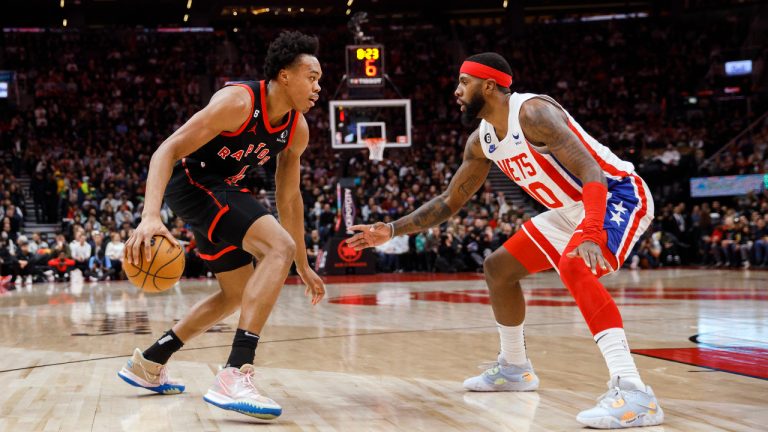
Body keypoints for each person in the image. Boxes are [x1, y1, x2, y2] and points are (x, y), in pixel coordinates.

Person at [347, 52, 662, 429]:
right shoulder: (480, 141)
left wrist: (593, 229)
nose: (457, 91)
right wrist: (393, 229)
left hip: (615, 196)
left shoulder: (532, 113)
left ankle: (634, 393)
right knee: (498, 268)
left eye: (464, 82)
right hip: (569, 208)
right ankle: (515, 368)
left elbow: (591, 170)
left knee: (574, 264)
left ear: (489, 86)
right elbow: (451, 201)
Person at [117, 31, 326, 419]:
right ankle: (235, 371)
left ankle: (148, 362)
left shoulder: (296, 129)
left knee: (237, 293)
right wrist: (150, 216)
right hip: (192, 182)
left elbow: (289, 199)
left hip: (217, 191)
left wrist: (303, 263)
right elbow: (167, 149)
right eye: (311, 77)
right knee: (276, 247)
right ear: (284, 75)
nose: (318, 88)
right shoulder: (238, 102)